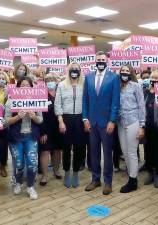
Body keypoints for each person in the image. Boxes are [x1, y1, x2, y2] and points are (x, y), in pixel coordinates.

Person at [82, 51, 120, 195]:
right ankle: (95, 179)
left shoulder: (114, 78)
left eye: (103, 59)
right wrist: (85, 118)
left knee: (107, 154)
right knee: (94, 153)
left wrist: (112, 120)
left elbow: (115, 101)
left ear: (107, 61)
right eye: (98, 59)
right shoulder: (88, 77)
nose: (101, 61)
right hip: (92, 122)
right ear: (95, 61)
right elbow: (85, 99)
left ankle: (108, 182)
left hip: (107, 123)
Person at [5, 76, 43, 200]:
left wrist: (34, 117)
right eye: (22, 85)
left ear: (32, 88)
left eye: (28, 85)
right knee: (19, 164)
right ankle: (19, 182)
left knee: (32, 164)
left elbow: (40, 120)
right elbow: (5, 122)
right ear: (18, 87)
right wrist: (17, 117)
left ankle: (30, 186)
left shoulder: (37, 100)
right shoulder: (11, 101)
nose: (25, 87)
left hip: (31, 137)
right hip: (16, 138)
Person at [55, 62, 86, 188]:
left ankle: (76, 173)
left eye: (77, 69)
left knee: (79, 147)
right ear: (68, 70)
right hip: (66, 118)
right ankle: (67, 171)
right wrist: (61, 121)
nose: (74, 71)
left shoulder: (84, 85)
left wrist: (86, 120)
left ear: (80, 71)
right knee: (66, 147)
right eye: (72, 69)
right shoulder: (62, 85)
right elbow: (57, 104)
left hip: (80, 118)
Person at [117, 64, 145, 193]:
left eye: (127, 71)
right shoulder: (117, 86)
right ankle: (131, 175)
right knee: (125, 151)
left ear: (131, 73)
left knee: (132, 152)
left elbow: (141, 106)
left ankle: (133, 181)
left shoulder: (136, 86)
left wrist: (142, 126)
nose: (124, 72)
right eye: (122, 70)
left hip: (134, 121)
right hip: (121, 123)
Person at [39, 74, 63, 186]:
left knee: (58, 150)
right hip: (46, 128)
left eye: (52, 80)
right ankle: (44, 175)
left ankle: (56, 170)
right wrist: (42, 132)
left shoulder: (60, 92)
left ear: (56, 81)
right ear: (44, 82)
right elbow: (40, 115)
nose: (50, 82)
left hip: (59, 127)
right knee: (45, 151)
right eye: (48, 80)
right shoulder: (41, 95)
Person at [0, 71, 10, 177]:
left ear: (6, 80)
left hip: (5, 122)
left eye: (3, 79)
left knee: (4, 145)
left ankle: (3, 166)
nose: (1, 80)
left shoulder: (9, 91)